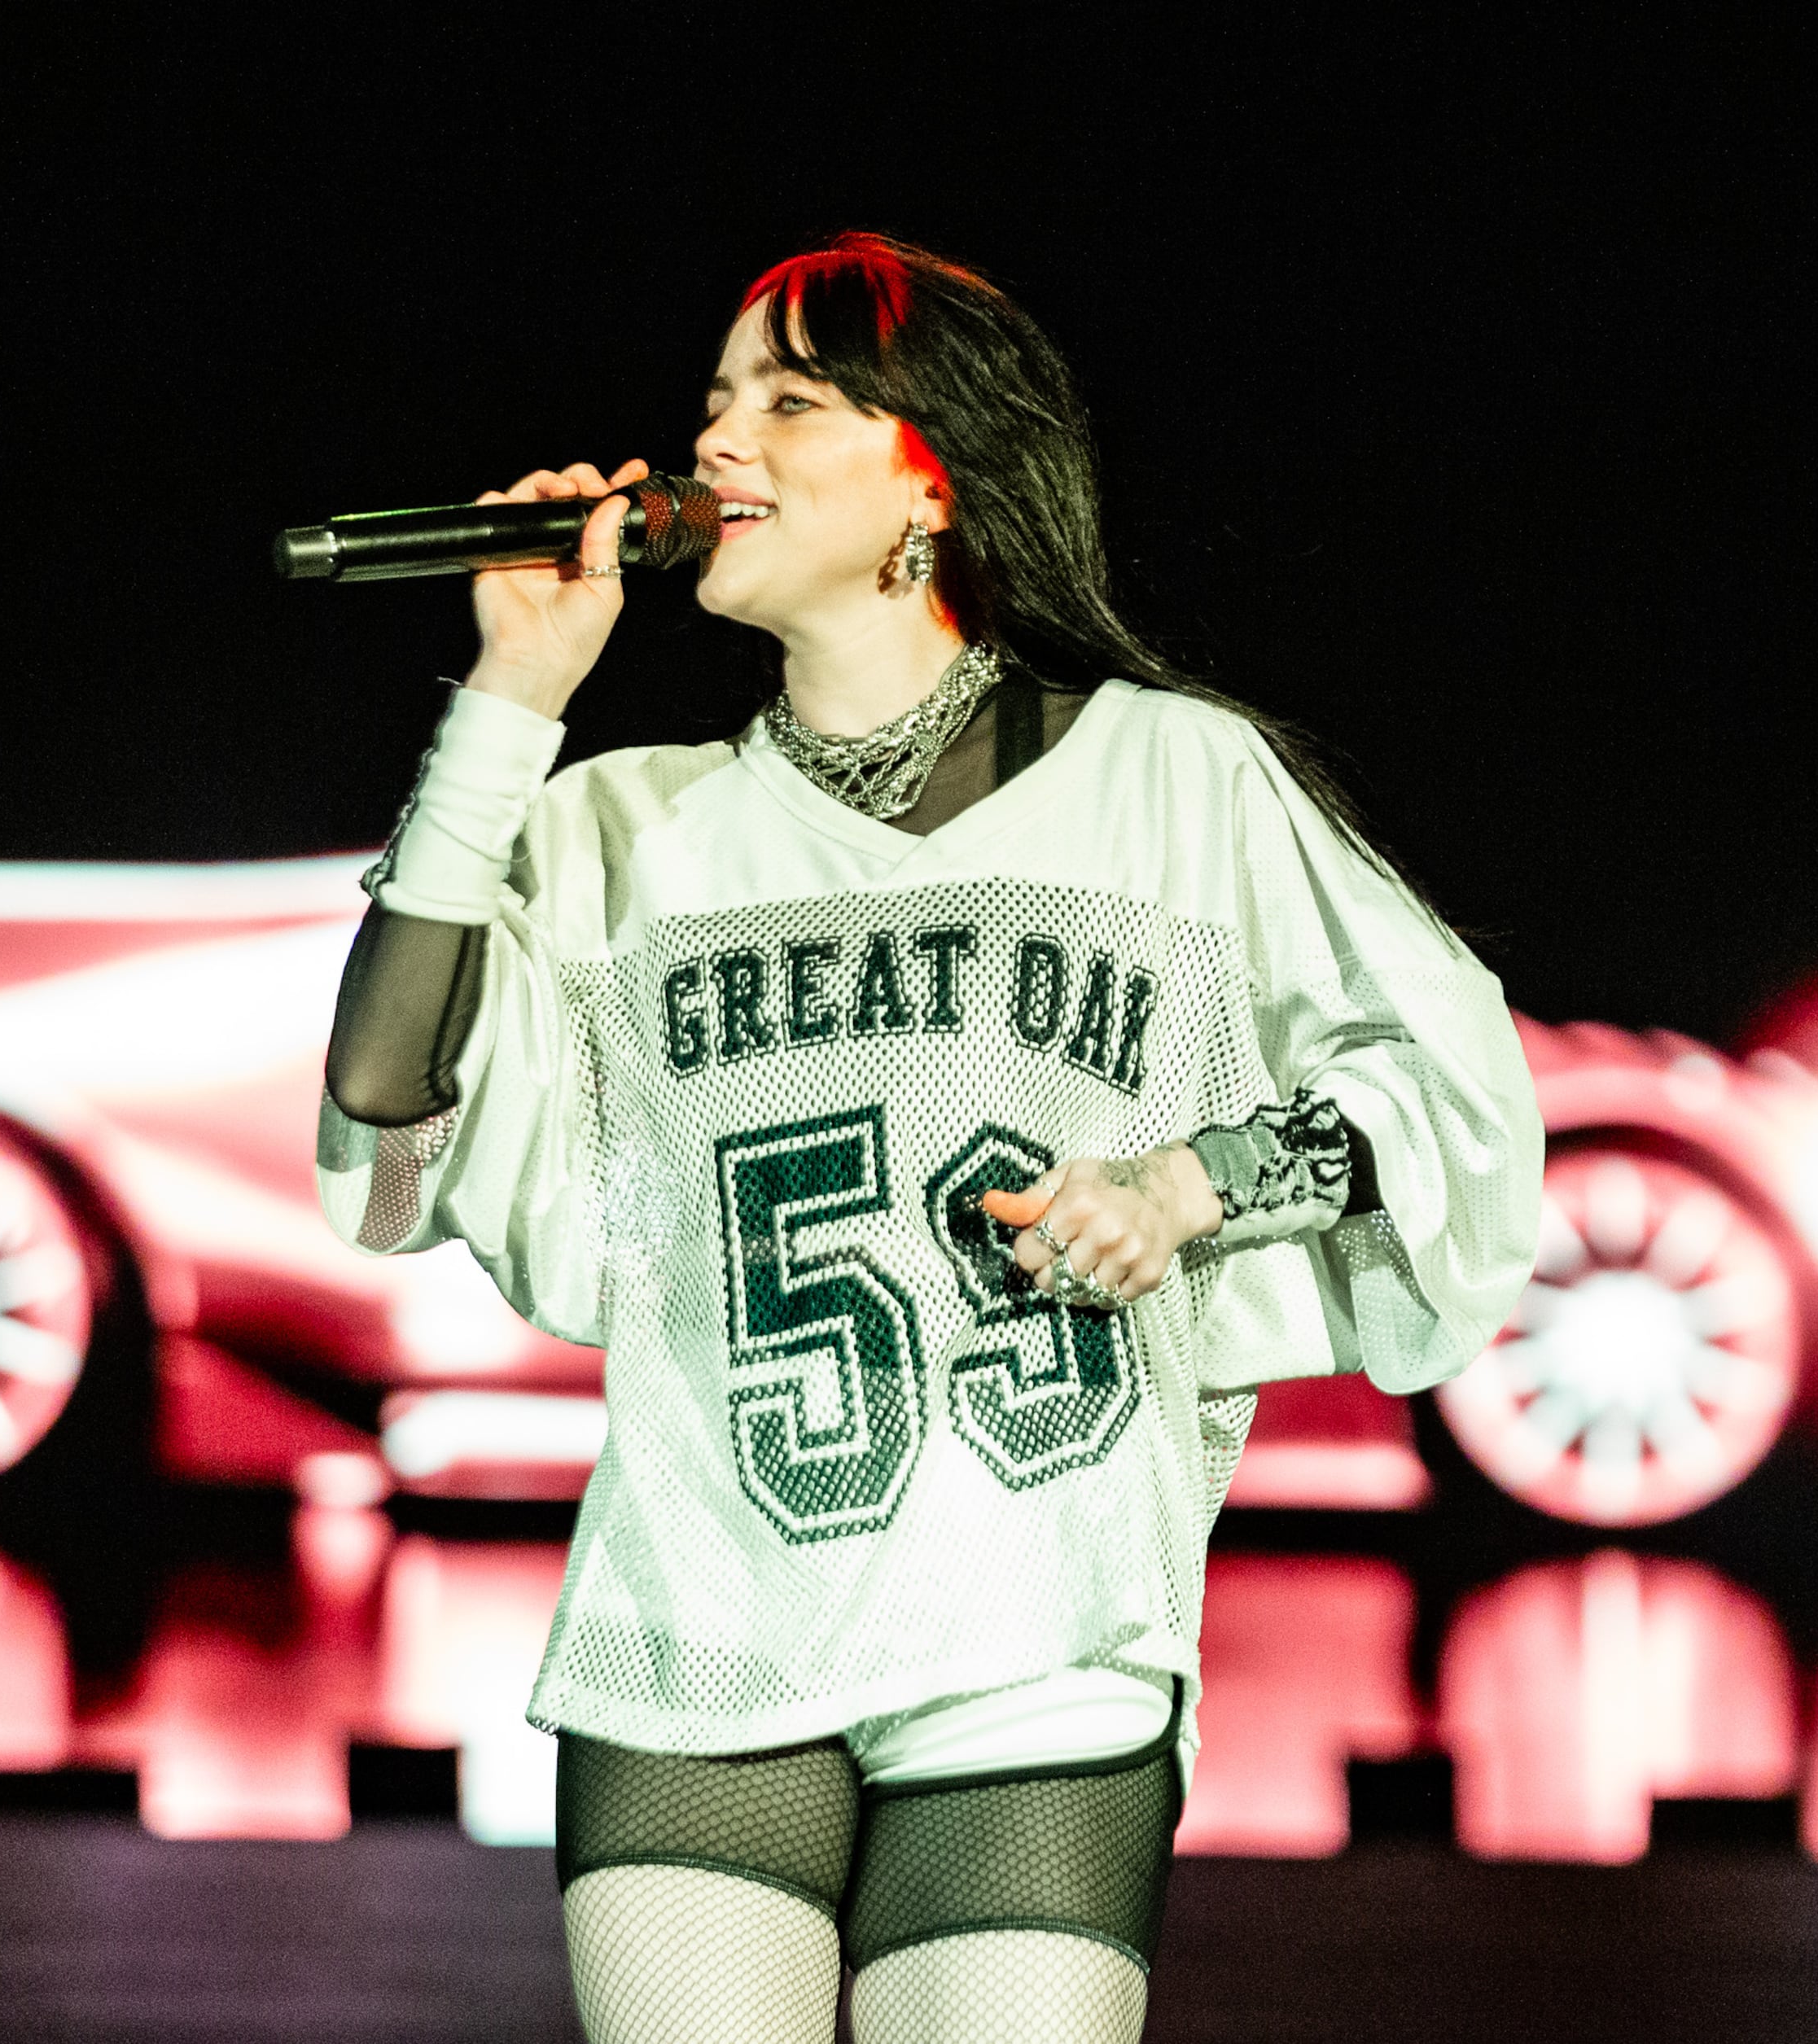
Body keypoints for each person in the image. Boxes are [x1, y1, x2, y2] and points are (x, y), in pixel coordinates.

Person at [317, 234, 1540, 2044]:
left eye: (788, 401)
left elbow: (1447, 1088)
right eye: (714, 401)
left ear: (930, 476)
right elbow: (382, 1111)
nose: (717, 440)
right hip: (705, 1626)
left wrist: (1193, 1179)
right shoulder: (620, 829)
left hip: (1039, 1628)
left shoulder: (1170, 777)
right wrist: (510, 696)